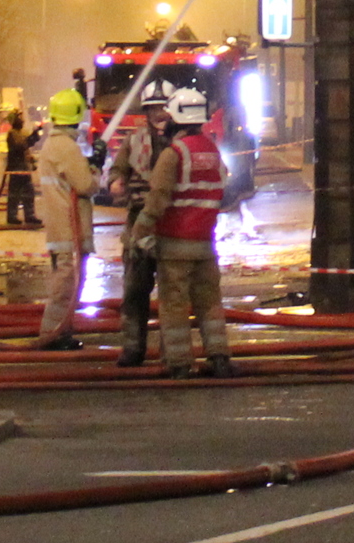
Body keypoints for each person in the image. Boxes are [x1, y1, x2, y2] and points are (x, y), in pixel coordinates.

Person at [143, 87, 231, 378]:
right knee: (210, 304)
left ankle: (180, 363)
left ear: (176, 118)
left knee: (175, 306)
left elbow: (158, 198)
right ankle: (219, 358)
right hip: (205, 244)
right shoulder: (212, 150)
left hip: (175, 245)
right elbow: (222, 190)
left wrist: (140, 231)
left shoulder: (174, 154)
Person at [110, 89, 172, 368]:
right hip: (138, 222)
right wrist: (115, 181)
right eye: (152, 108)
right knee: (135, 289)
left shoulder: (180, 142)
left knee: (173, 292)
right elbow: (117, 169)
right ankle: (133, 349)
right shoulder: (133, 141)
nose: (158, 113)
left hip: (171, 222)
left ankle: (173, 352)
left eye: (162, 107)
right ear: (145, 112)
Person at [35, 88, 98, 347]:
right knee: (65, 286)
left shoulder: (54, 144)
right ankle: (52, 335)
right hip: (68, 227)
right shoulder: (66, 146)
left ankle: (62, 332)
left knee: (68, 283)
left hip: (59, 225)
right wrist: (96, 170)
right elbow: (85, 185)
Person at [1, 108, 37, 228]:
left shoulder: (20, 133)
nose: (22, 121)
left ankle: (30, 216)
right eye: (20, 118)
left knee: (29, 193)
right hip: (17, 168)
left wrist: (35, 135)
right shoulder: (13, 134)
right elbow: (20, 146)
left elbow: (26, 147)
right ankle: (12, 216)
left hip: (24, 168)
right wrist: (31, 137)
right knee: (15, 195)